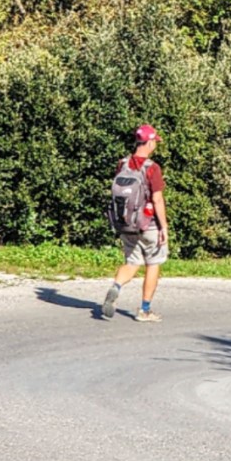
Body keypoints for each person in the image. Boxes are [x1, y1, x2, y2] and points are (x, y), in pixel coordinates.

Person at [99, 124, 168, 322]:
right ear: (150, 142)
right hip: (149, 224)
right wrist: (164, 227)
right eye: (155, 141)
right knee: (153, 263)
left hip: (126, 222)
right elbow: (157, 200)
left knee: (131, 262)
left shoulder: (122, 164)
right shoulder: (152, 168)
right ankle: (145, 310)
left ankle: (116, 287)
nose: (156, 145)